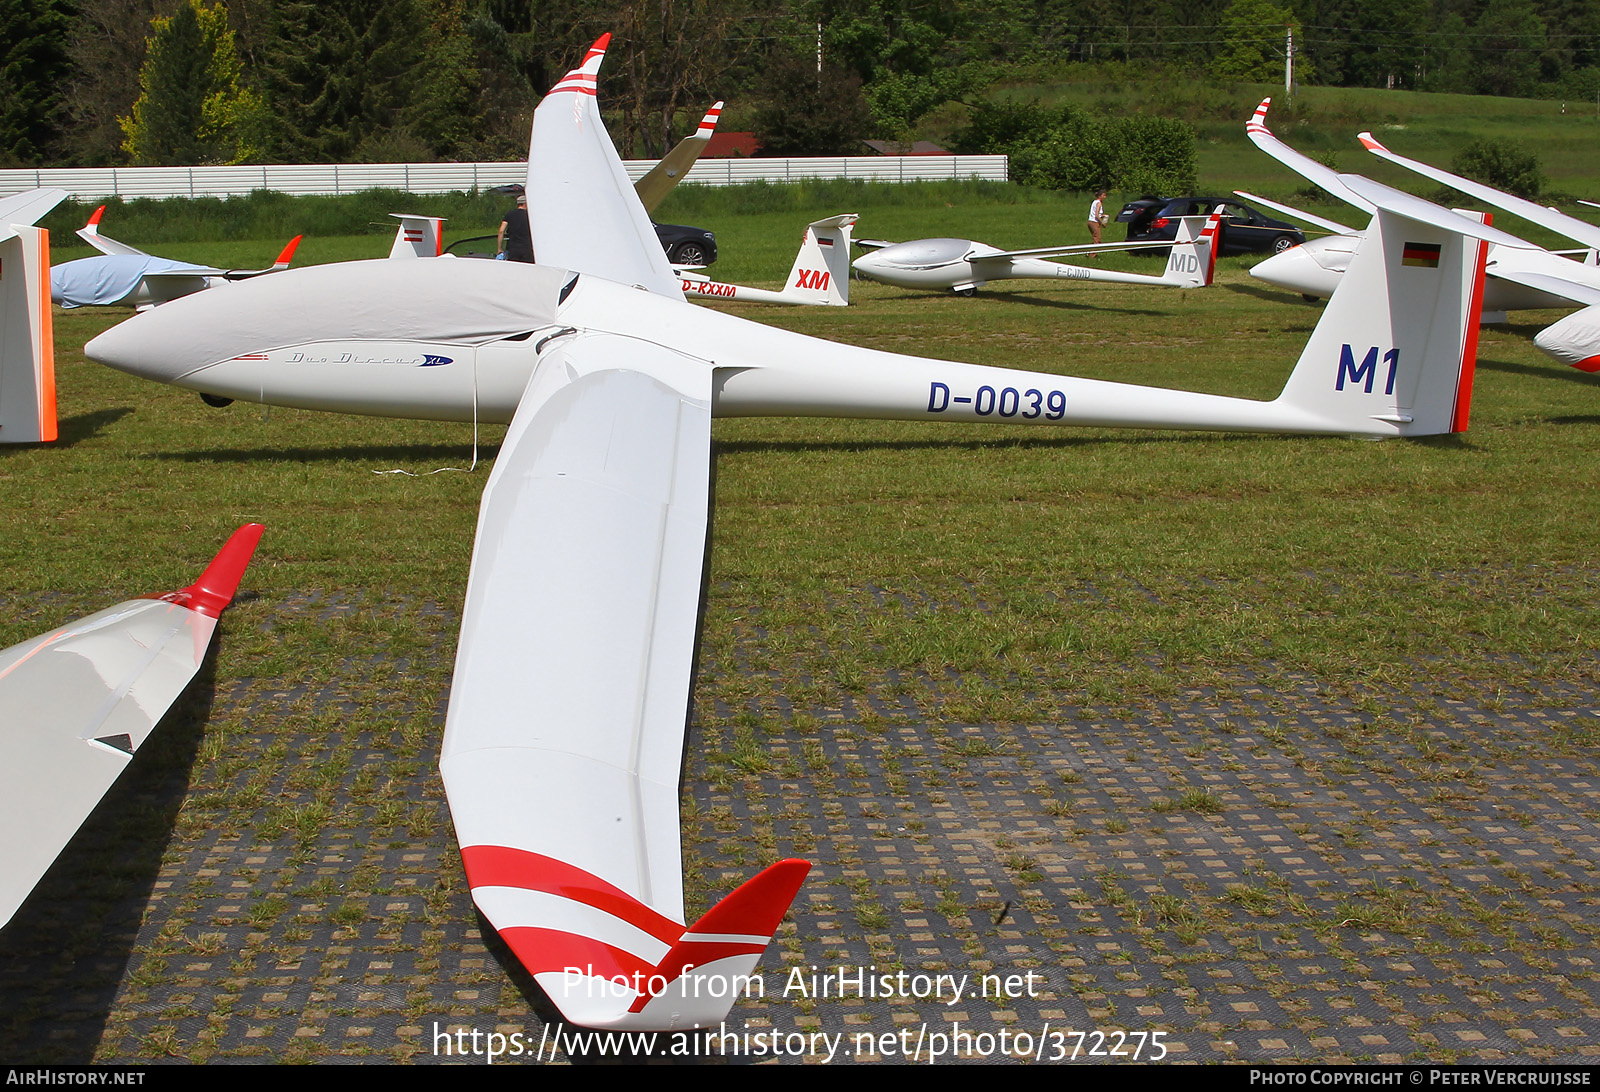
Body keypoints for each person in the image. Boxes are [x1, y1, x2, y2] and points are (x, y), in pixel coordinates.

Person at [498, 194, 534, 262]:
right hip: (527, 248)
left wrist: (499, 248)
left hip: (512, 248)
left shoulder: (509, 214)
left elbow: (501, 231)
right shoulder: (530, 215)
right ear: (525, 203)